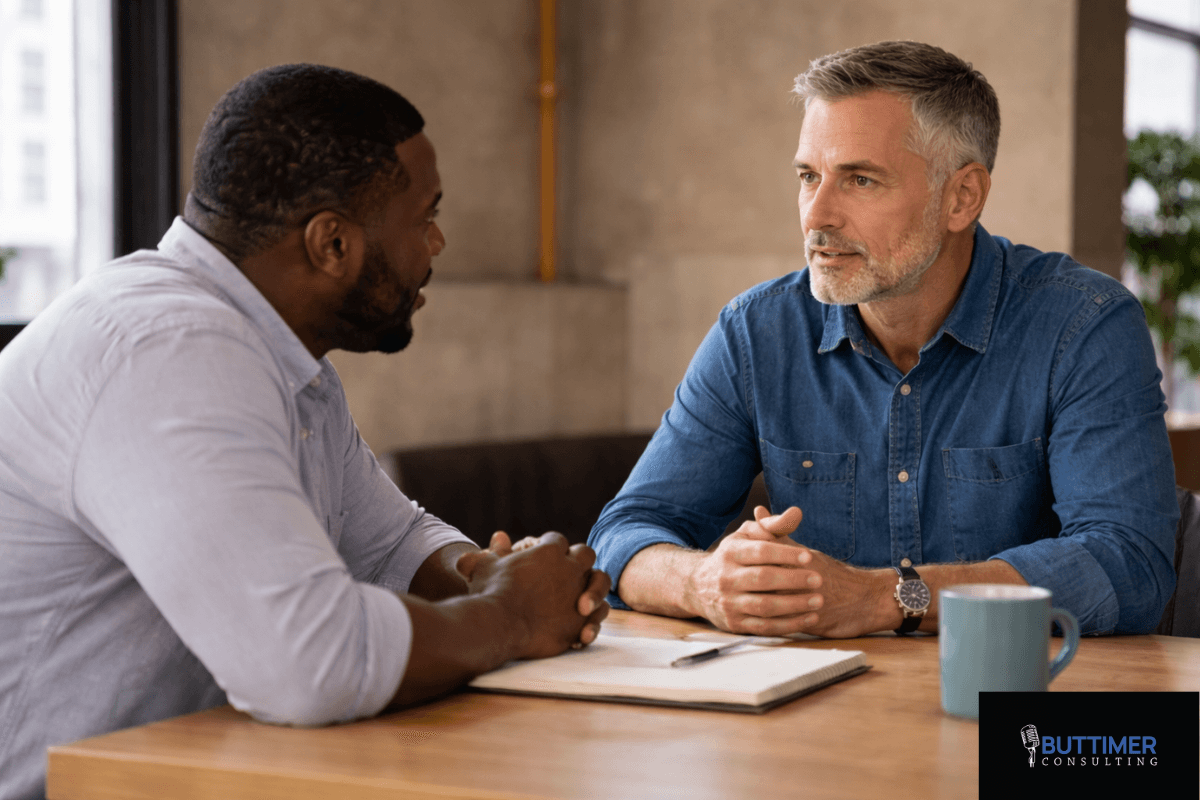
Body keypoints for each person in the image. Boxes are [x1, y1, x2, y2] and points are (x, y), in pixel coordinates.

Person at [0, 64, 609, 800]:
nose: (438, 244)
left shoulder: (283, 362)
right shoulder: (165, 349)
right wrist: (510, 616)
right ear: (332, 245)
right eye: (424, 218)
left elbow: (388, 543)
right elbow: (308, 667)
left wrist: (487, 574)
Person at [589, 40, 1178, 639]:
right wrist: (706, 582)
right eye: (808, 176)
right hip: (816, 713)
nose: (817, 215)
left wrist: (886, 598)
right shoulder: (755, 333)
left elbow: (1129, 566)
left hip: (1016, 710)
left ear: (961, 197)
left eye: (860, 180)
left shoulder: (1084, 325)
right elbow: (625, 534)